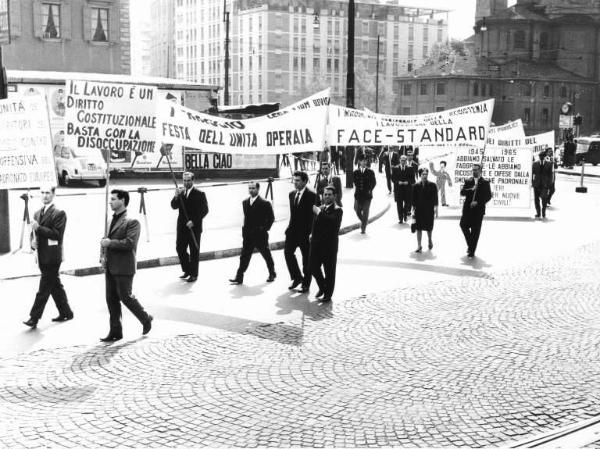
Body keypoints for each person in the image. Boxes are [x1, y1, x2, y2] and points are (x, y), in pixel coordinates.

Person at [99, 190, 153, 342]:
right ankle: (115, 331)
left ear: (122, 201)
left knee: (125, 297)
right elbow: (104, 239)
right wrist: (102, 257)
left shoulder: (132, 221)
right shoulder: (109, 221)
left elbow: (130, 243)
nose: (110, 202)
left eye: (114, 199)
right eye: (110, 199)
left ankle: (145, 318)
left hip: (124, 266)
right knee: (111, 299)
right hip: (110, 265)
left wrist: (110, 243)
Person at [23, 185, 74, 329]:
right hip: (41, 255)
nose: (45, 196)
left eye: (48, 193)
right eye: (43, 193)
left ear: (53, 195)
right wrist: (32, 243)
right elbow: (33, 234)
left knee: (44, 287)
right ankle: (66, 312)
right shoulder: (37, 213)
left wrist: (39, 228)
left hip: (52, 257)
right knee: (54, 285)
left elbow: (57, 235)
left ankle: (34, 317)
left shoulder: (59, 213)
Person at [229, 182, 276, 284]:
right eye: (249, 188)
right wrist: (244, 231)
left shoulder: (265, 203)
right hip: (248, 235)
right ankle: (239, 277)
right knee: (244, 256)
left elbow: (271, 218)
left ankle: (272, 273)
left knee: (266, 254)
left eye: (253, 188)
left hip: (260, 235)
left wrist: (264, 229)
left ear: (258, 189)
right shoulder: (245, 202)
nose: (251, 190)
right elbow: (246, 218)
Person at [171, 172, 209, 282]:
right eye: (184, 180)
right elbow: (173, 206)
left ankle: (194, 274)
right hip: (182, 227)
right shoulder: (181, 192)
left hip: (194, 228)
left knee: (194, 251)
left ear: (193, 180)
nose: (186, 183)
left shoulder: (200, 194)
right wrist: (176, 196)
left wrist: (194, 221)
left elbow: (205, 210)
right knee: (180, 248)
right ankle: (187, 269)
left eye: (188, 180)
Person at [309, 186, 343, 302]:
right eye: (325, 194)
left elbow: (331, 222)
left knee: (329, 270)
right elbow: (315, 223)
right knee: (312, 267)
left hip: (329, 245)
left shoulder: (338, 210)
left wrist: (319, 212)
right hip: (317, 243)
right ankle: (322, 287)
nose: (327, 196)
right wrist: (312, 234)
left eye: (329, 194)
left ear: (334, 196)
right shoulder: (321, 208)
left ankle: (328, 294)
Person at [284, 171, 317, 292]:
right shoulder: (291, 194)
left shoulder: (312, 195)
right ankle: (297, 277)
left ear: (304, 181)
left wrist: (312, 232)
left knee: (306, 259)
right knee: (288, 253)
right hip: (292, 231)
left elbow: (315, 216)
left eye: (298, 180)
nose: (295, 183)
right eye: (294, 180)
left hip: (305, 233)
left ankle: (306, 283)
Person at [459, 164, 492, 258]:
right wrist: (471, 189)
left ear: (480, 170)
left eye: (476, 170)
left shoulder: (485, 182)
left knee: (475, 231)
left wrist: (477, 202)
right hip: (467, 209)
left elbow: (488, 196)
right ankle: (471, 245)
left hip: (478, 210)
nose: (474, 172)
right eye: (473, 170)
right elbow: (462, 192)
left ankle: (472, 251)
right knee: (463, 225)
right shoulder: (468, 181)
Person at [412, 168, 439, 252]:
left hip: (429, 210)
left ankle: (430, 240)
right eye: (423, 174)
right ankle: (419, 245)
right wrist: (413, 210)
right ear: (420, 175)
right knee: (418, 228)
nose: (425, 176)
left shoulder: (433, 185)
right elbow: (413, 199)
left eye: (426, 174)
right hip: (419, 210)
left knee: (429, 227)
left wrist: (436, 209)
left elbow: (435, 198)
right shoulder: (415, 186)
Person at [353, 154, 377, 234]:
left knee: (366, 211)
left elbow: (374, 182)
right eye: (363, 161)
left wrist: (370, 189)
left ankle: (363, 228)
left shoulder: (370, 172)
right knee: (357, 210)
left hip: (367, 195)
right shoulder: (355, 172)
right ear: (359, 162)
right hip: (358, 195)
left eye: (365, 161)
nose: (364, 162)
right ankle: (365, 221)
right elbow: (354, 182)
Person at [391, 154, 415, 224]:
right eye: (402, 160)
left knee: (407, 204)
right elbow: (393, 178)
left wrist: (408, 182)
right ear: (399, 160)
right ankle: (400, 218)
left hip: (407, 190)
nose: (403, 162)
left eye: (404, 160)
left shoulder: (410, 168)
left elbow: (413, 179)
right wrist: (398, 182)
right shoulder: (395, 168)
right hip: (398, 190)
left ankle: (405, 214)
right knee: (399, 204)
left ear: (406, 161)